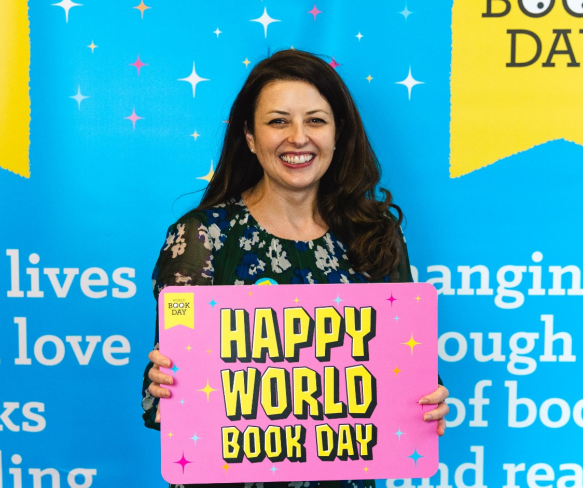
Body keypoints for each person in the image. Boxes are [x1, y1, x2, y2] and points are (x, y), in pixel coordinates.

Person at [141, 49, 449, 488]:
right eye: (278, 121)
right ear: (249, 136)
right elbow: (169, 400)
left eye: (316, 120)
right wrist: (164, 385)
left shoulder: (375, 236)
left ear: (339, 132)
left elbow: (404, 373)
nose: (298, 138)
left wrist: (428, 399)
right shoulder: (202, 238)